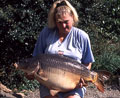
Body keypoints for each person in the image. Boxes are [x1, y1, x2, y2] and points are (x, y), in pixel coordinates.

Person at [31, 0, 95, 98]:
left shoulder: (82, 36)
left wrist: (83, 79)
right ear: (55, 22)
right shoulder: (46, 33)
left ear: (73, 18)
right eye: (59, 23)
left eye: (66, 22)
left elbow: (87, 62)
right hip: (48, 84)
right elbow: (36, 58)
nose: (63, 26)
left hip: (74, 84)